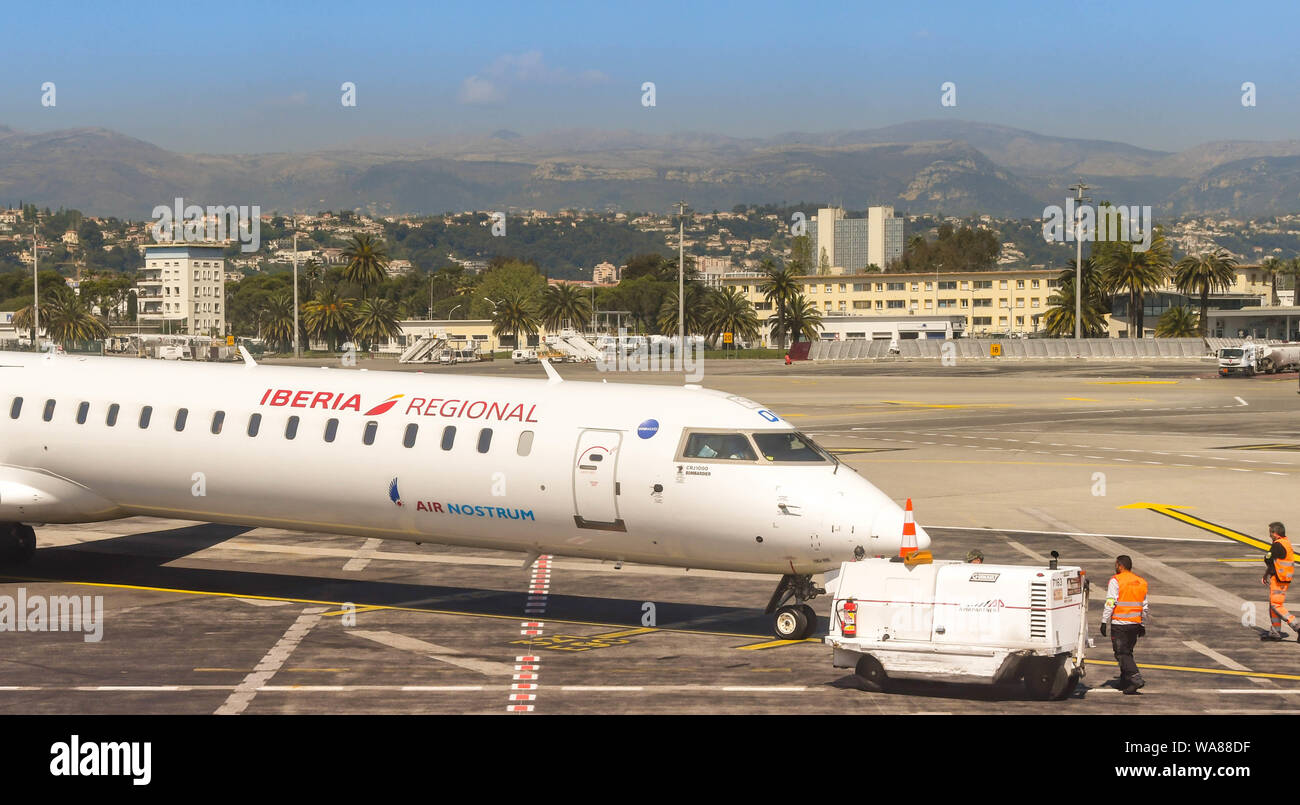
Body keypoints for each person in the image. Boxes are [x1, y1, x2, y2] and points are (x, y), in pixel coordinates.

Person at [1101, 554, 1148, 694]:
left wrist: (1104, 620)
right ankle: (1125, 680)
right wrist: (1143, 624)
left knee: (1121, 653)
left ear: (1120, 565)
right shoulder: (1141, 582)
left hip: (1120, 624)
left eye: (1116, 565)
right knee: (1127, 652)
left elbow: (1110, 601)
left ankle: (1135, 678)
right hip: (1134, 623)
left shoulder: (1116, 580)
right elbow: (1145, 606)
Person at [1261, 522, 1297, 642]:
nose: (1269, 535)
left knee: (1276, 605)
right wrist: (1267, 574)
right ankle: (1275, 632)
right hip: (1283, 577)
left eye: (1270, 532)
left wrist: (1267, 573)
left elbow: (1268, 558)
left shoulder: (1277, 545)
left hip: (1278, 578)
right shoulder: (1286, 542)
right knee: (1273, 605)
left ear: (1275, 533)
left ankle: (1297, 625)